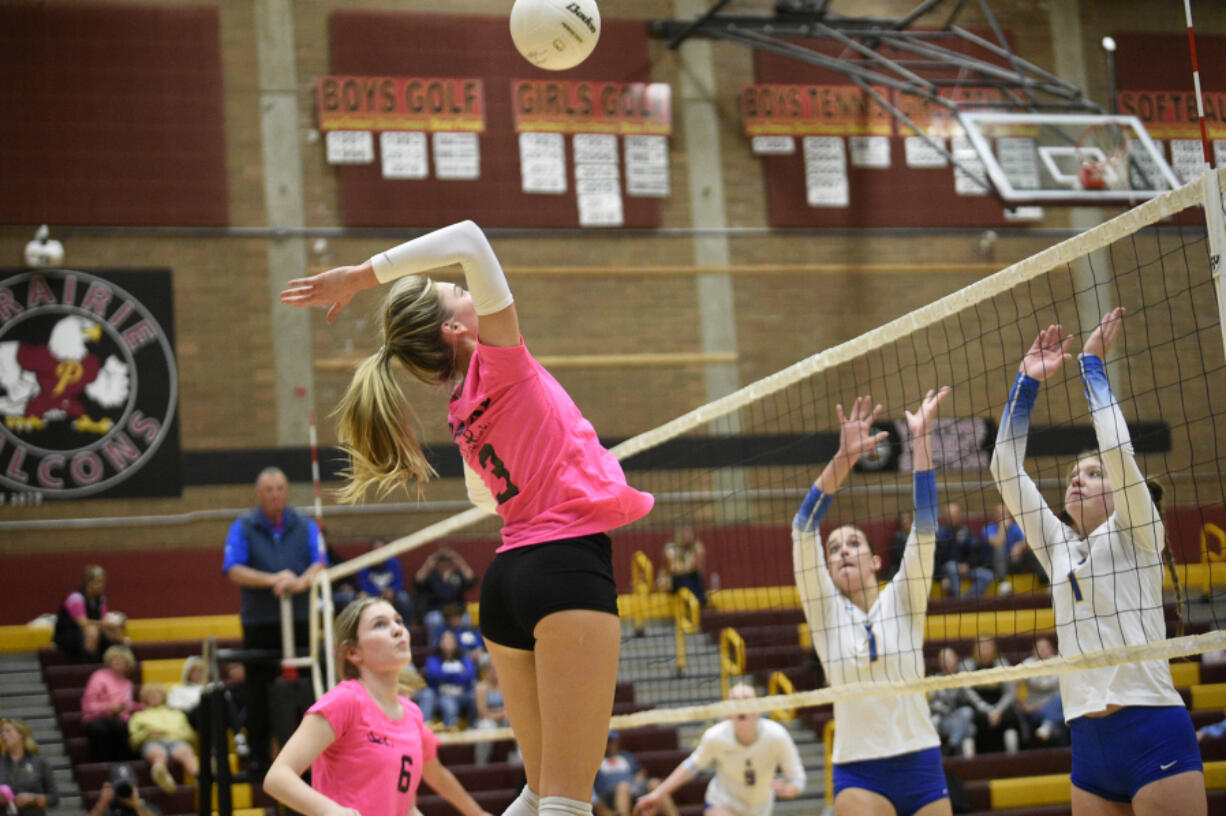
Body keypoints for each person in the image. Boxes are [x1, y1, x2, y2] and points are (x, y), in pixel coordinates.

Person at [281, 219, 655, 816]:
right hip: (564, 568)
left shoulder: (462, 409)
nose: (467, 289)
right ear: (455, 328)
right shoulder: (502, 364)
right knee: (565, 802)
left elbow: (486, 498)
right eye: (456, 292)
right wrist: (360, 276)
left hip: (509, 581)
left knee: (538, 793)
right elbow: (470, 239)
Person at [989, 309, 1205, 815]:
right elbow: (1004, 467)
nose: (1077, 479)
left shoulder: (1139, 530)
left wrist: (1091, 365)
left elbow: (1114, 447)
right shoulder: (1057, 545)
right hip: (1087, 742)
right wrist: (1026, 382)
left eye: (1092, 474)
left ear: (1118, 489)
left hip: (1150, 728)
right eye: (1072, 475)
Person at [790, 389, 954, 816]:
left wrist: (921, 444)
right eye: (834, 548)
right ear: (825, 567)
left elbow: (925, 528)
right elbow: (803, 529)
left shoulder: (904, 596)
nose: (842, 551)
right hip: (859, 769)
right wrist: (844, 458)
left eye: (853, 543)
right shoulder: (823, 610)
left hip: (920, 762)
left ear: (876, 561)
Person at [263, 597, 492, 816]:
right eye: (380, 624)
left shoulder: (412, 714)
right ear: (353, 652)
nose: (397, 629)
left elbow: (411, 802)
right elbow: (278, 776)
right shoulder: (345, 701)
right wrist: (329, 810)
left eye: (399, 621)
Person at [222, 465, 325, 774]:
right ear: (258, 494)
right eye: (269, 490)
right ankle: (259, 757)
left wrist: (299, 581)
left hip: (301, 618)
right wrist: (273, 579)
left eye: (280, 488)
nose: (275, 495)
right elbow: (233, 568)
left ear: (287, 491)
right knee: (259, 688)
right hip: (261, 622)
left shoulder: (305, 525)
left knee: (311, 685)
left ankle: (316, 755)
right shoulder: (243, 526)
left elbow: (319, 563)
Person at [632, 683, 804, 816]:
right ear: (728, 711)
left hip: (759, 810)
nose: (741, 705)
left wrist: (791, 789)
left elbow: (798, 779)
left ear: (758, 709)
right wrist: (658, 794)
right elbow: (691, 767)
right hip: (722, 803)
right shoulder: (716, 736)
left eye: (747, 700)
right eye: (735, 701)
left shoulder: (776, 736)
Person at [127, 684, 200, 794]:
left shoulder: (177, 714)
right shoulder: (138, 716)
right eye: (150, 695)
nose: (154, 696)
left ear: (163, 696)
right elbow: (133, 740)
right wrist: (147, 733)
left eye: (157, 694)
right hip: (151, 742)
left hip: (176, 742)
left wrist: (166, 733)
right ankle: (161, 774)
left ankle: (200, 777)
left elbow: (190, 735)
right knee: (158, 753)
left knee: (185, 752)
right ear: (144, 698)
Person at [957, 635, 1023, 755]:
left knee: (1012, 717)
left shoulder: (1002, 663)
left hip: (1000, 708)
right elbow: (969, 694)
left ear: (993, 649)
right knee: (969, 718)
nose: (983, 649)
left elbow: (1010, 693)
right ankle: (970, 761)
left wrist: (997, 710)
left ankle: (1014, 757)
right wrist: (989, 711)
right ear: (974, 649)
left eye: (987, 645)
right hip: (979, 709)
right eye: (980, 646)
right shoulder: (966, 666)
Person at [53, 564, 125, 664]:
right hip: (68, 634)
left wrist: (113, 626)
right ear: (89, 583)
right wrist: (104, 624)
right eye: (98, 583)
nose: (102, 586)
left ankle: (119, 661)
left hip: (90, 630)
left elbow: (104, 620)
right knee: (92, 631)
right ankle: (90, 665)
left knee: (114, 631)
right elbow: (82, 623)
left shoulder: (101, 599)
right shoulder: (76, 597)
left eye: (102, 582)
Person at [81, 645, 140, 762]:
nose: (117, 661)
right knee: (100, 730)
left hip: (118, 718)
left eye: (121, 659)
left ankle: (122, 765)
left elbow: (128, 704)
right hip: (96, 717)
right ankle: (100, 766)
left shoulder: (128, 683)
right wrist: (108, 707)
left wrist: (141, 706)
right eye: (114, 658)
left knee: (121, 727)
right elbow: (88, 705)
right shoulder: (99, 676)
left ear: (128, 663)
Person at [593, 732, 674, 816]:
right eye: (607, 742)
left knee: (655, 783)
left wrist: (638, 781)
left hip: (632, 787)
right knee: (623, 787)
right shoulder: (596, 759)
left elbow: (640, 771)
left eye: (612, 741)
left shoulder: (625, 755)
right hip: (608, 793)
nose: (610, 745)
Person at [414, 546, 478, 643]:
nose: (445, 566)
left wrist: (459, 562)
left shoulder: (458, 576)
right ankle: (435, 649)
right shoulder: (432, 577)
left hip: (458, 613)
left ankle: (465, 648)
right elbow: (417, 582)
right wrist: (427, 565)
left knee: (466, 619)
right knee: (434, 620)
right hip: (438, 612)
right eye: (442, 563)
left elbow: (472, 580)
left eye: (448, 563)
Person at [417, 630, 478, 729]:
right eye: (445, 640)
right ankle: (449, 732)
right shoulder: (433, 659)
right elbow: (434, 674)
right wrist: (458, 675)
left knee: (474, 696)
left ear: (456, 642)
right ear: (440, 642)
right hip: (442, 695)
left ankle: (473, 727)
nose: (448, 642)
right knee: (449, 705)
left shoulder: (464, 659)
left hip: (462, 694)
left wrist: (445, 676)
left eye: (451, 639)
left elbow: (470, 675)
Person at [0, 719, 58, 816]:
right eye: (2, 732)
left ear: (21, 735)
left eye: (8, 731)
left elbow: (54, 798)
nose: (3, 735)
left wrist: (33, 798)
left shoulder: (39, 762)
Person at [936, 503, 993, 598]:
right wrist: (942, 578)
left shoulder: (966, 532)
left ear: (960, 516)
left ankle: (967, 600)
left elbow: (975, 552)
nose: (952, 518)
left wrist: (967, 564)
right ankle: (957, 596)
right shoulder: (939, 535)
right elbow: (935, 560)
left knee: (988, 575)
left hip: (965, 569)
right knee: (952, 566)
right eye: (950, 516)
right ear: (945, 517)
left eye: (955, 515)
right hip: (947, 570)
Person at [928, 647, 976, 758]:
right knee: (967, 729)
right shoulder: (934, 678)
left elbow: (972, 698)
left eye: (950, 658)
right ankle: (957, 756)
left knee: (967, 713)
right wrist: (948, 711)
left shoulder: (962, 678)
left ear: (956, 659)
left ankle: (951, 746)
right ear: (939, 662)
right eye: (943, 659)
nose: (947, 661)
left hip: (959, 718)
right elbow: (932, 703)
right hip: (943, 719)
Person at [356, 539, 415, 626]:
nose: (379, 553)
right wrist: (378, 592)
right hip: (372, 594)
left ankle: (406, 628)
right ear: (371, 552)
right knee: (360, 598)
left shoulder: (394, 562)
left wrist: (392, 590)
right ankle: (362, 629)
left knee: (404, 598)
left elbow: (399, 583)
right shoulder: (364, 564)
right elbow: (362, 585)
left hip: (391, 594)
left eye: (382, 550)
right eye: (376, 550)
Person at [1021, 637, 1065, 745]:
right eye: (1039, 647)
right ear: (1033, 651)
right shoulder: (1027, 664)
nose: (1043, 650)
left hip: (1058, 704)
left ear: (1052, 649)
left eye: (1046, 647)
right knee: (1064, 721)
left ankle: (1048, 724)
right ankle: (1050, 724)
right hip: (1036, 708)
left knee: (1059, 699)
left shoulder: (1059, 662)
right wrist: (1025, 707)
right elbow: (1015, 688)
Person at [473, 662, 512, 766]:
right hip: (488, 720)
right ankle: (481, 763)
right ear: (486, 671)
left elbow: (510, 708)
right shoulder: (481, 687)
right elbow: (482, 711)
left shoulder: (505, 685)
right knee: (486, 726)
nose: (494, 672)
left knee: (517, 725)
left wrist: (502, 715)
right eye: (491, 669)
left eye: (496, 669)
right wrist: (497, 716)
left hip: (503, 719)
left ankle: (518, 761)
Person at [85, 764, 163, 816]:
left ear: (136, 786)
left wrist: (137, 805)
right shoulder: (106, 809)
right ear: (112, 788)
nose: (124, 790)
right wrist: (102, 804)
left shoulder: (147, 806)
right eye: (120, 786)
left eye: (128, 785)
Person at [659, 524, 707, 607]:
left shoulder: (696, 546)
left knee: (695, 576)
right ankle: (697, 600)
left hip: (689, 577)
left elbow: (698, 567)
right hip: (671, 580)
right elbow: (673, 568)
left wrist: (696, 560)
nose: (688, 536)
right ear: (679, 535)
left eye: (690, 533)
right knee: (683, 577)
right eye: (686, 533)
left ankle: (701, 600)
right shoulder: (671, 548)